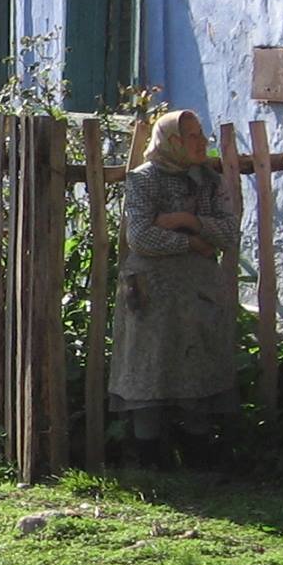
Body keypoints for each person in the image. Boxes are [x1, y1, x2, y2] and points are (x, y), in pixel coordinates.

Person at [109, 110, 239, 467]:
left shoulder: (209, 182)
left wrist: (186, 220)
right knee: (149, 371)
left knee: (196, 367)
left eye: (201, 135)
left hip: (196, 291)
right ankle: (150, 462)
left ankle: (199, 460)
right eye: (192, 136)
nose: (202, 143)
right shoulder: (144, 180)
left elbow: (228, 233)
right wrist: (192, 243)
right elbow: (140, 237)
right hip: (151, 293)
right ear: (171, 142)